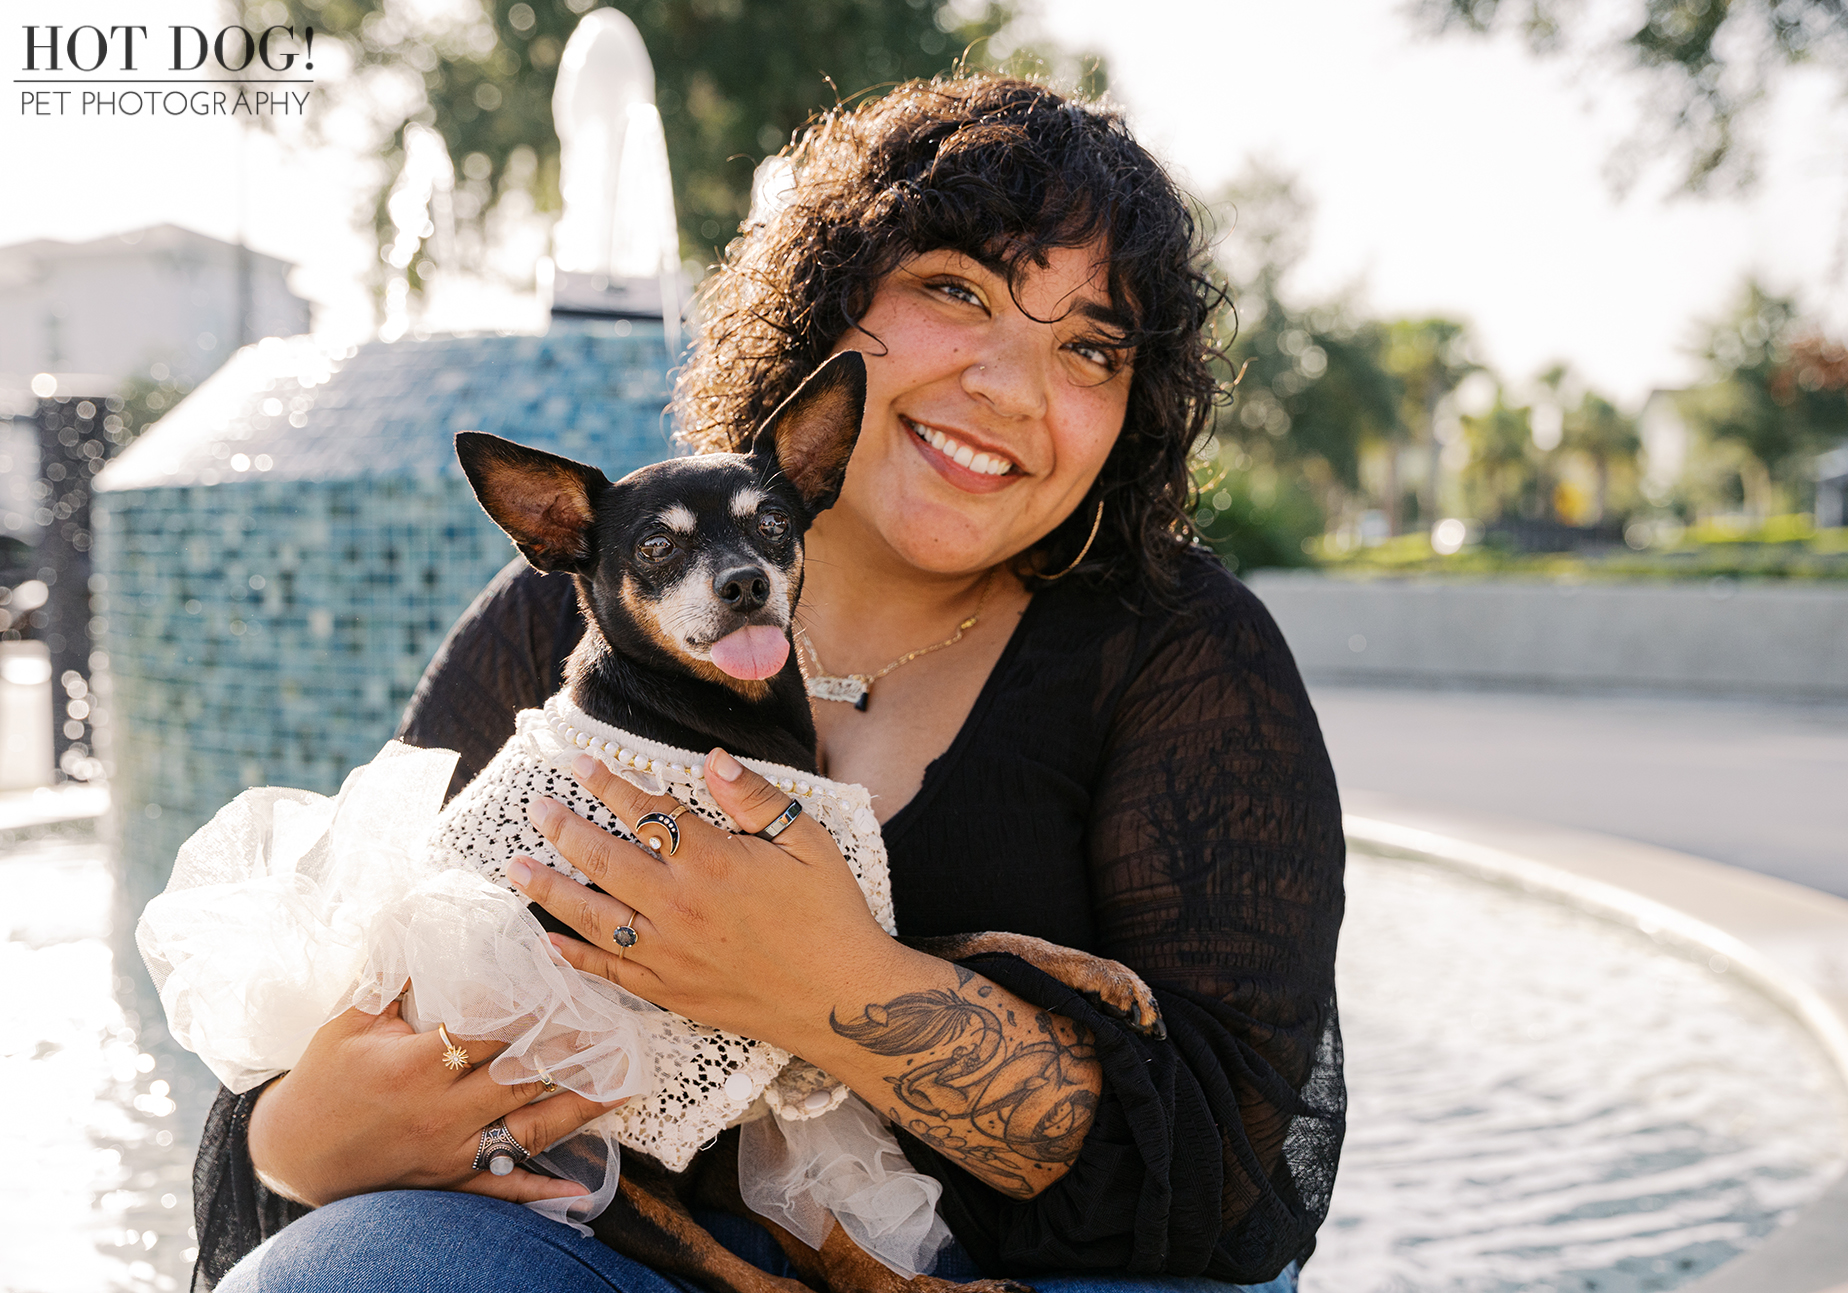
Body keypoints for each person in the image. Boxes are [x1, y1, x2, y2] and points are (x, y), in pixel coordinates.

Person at [194, 75, 1346, 1293]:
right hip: (608, 1250)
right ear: (825, 308)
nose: (1009, 386)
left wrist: (826, 982)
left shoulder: (1174, 651)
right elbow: (362, 963)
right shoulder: (574, 608)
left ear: (1134, 414)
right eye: (956, 288)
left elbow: (1218, 1171)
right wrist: (300, 1138)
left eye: (1090, 347)